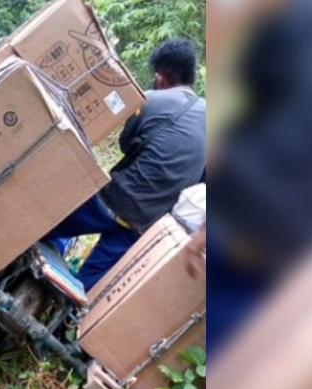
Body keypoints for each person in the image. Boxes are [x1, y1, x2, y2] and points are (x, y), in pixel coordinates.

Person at [47, 38, 207, 291]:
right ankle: (65, 315)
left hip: (111, 201)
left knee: (43, 229)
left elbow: (125, 143)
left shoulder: (153, 99)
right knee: (83, 288)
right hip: (145, 225)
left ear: (160, 77)